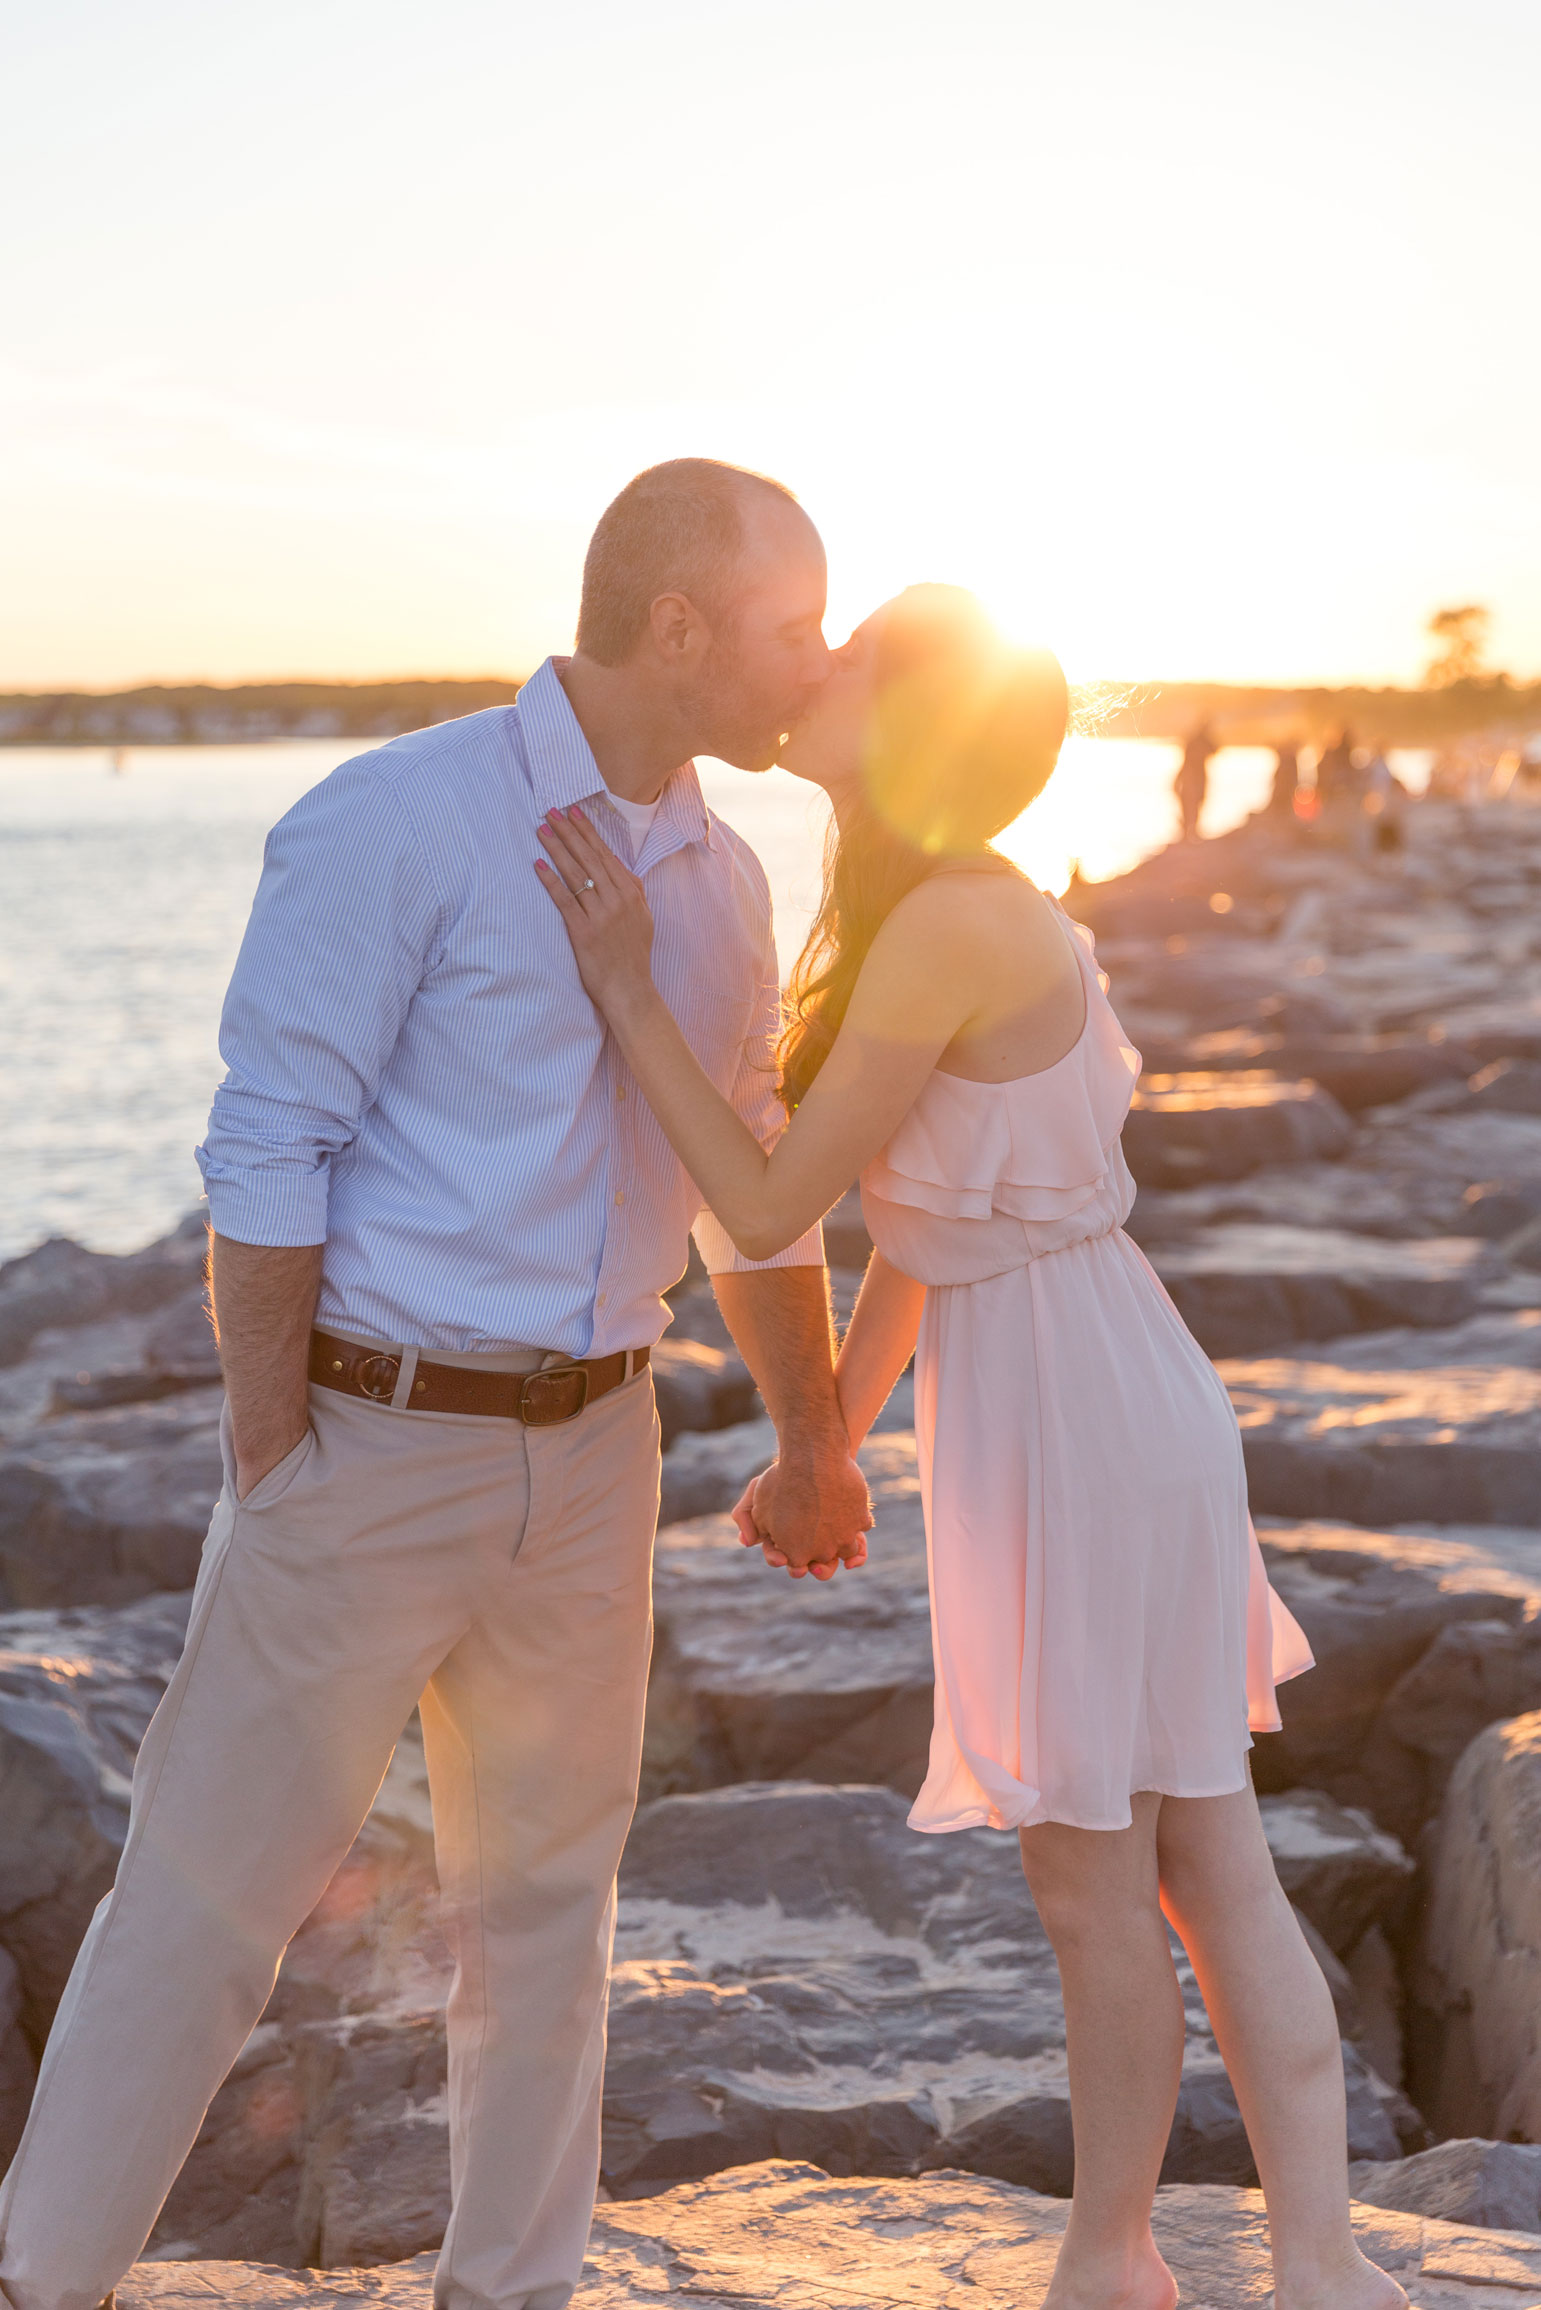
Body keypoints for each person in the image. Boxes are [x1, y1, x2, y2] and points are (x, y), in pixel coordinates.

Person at [0, 460, 874, 2310]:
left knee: (549, 1917)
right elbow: (269, 1149)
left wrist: (806, 1432)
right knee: (206, 1904)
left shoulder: (724, 875)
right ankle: (41, 2278)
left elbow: (755, 1185)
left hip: (602, 1450)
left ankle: (512, 2293)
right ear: (675, 626)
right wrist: (275, 1445)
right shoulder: (396, 815)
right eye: (794, 626)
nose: (823, 658)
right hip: (370, 1439)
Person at [535, 586, 1407, 2310]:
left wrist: (626, 985)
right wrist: (827, 1450)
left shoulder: (948, 923)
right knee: (1191, 1854)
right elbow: (923, 1243)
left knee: (1115, 1881)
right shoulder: (926, 914)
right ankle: (1310, 2268)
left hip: (1077, 1418)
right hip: (1082, 1391)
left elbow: (777, 1199)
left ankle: (1124, 2258)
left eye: (850, 659)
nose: (816, 669)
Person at [1173, 721, 1215, 840]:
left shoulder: (1198, 741)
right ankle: (1188, 832)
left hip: (1194, 778)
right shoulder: (1196, 741)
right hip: (1192, 779)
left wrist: (1177, 779)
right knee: (1190, 804)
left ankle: (1190, 832)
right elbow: (1185, 762)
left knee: (1194, 804)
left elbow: (1215, 750)